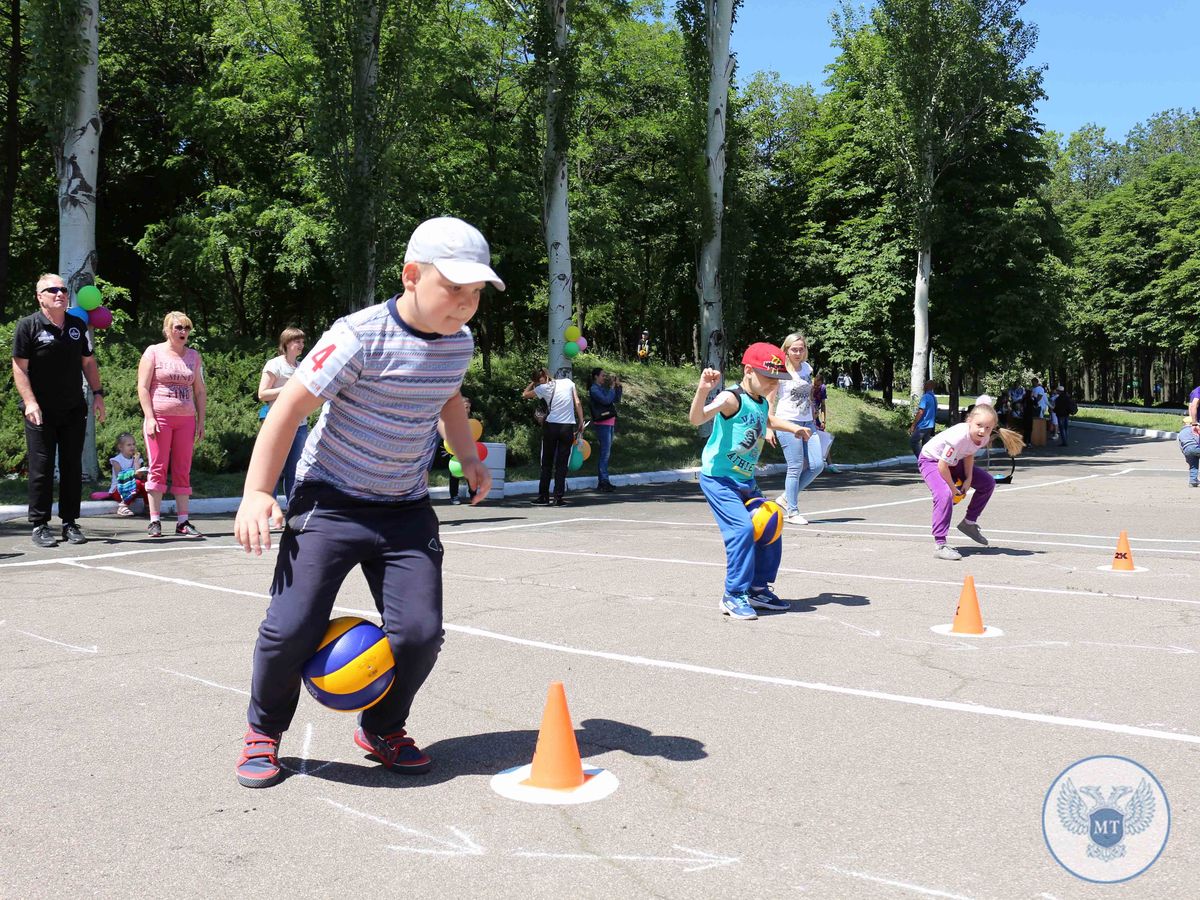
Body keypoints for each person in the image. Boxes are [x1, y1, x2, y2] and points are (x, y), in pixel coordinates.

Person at [231, 216, 501, 789]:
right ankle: (263, 731)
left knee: (421, 634)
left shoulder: (460, 343)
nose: (465, 304)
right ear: (410, 276)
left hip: (404, 507)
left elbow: (450, 403)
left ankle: (382, 726)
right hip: (329, 500)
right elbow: (288, 411)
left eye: (475, 293)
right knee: (291, 627)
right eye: (453, 288)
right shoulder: (357, 336)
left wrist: (468, 457)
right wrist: (257, 492)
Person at [690, 342, 798, 620]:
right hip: (720, 479)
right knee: (742, 530)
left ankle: (758, 589)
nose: (773, 383)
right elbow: (697, 418)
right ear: (748, 370)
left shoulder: (760, 402)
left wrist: (795, 428)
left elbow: (767, 419)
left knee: (772, 523)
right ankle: (733, 595)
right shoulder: (730, 398)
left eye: (776, 378)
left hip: (746, 480)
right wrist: (703, 389)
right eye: (768, 377)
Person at [11, 273, 107, 547]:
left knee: (71, 466)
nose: (60, 293)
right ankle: (40, 524)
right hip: (40, 411)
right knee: (41, 468)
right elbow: (20, 368)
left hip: (73, 409)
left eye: (63, 289)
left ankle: (70, 522)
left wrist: (98, 394)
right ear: (40, 297)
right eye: (52, 289)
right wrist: (30, 402)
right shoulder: (28, 326)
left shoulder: (77, 325)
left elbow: (88, 362)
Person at [918, 398, 1024, 560]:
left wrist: (968, 479)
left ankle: (969, 523)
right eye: (979, 425)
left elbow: (968, 453)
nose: (982, 431)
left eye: (987, 428)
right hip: (932, 461)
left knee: (988, 482)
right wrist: (953, 489)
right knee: (944, 494)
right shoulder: (959, 436)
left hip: (953, 461)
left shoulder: (984, 438)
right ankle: (940, 544)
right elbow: (942, 466)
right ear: (969, 421)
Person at [138, 311, 206, 538]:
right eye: (178, 327)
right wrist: (149, 417)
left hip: (186, 419)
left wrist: (201, 421)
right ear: (167, 330)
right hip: (160, 418)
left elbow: (199, 390)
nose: (183, 332)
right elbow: (143, 387)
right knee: (158, 466)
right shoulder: (153, 352)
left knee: (182, 468)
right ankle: (155, 521)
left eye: (186, 328)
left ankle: (183, 522)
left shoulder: (194, 356)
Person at [767, 331, 824, 526]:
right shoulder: (780, 371)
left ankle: (785, 497)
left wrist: (814, 416)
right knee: (796, 467)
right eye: (794, 350)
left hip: (808, 423)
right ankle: (792, 512)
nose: (798, 353)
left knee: (817, 465)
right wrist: (768, 427)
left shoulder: (807, 368)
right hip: (787, 423)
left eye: (801, 349)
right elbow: (770, 400)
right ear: (786, 350)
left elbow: (809, 396)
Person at [257, 327, 307, 505]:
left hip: (300, 425)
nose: (301, 345)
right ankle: (269, 511)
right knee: (274, 470)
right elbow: (262, 394)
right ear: (286, 343)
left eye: (302, 341)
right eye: (297, 341)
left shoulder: (302, 367)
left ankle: (293, 511)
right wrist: (287, 388)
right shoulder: (274, 364)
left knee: (295, 471)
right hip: (277, 423)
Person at [523, 367, 583, 506]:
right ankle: (558, 498)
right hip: (567, 427)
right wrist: (580, 421)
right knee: (562, 464)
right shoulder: (568, 382)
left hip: (551, 427)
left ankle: (543, 497)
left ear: (539, 379)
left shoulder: (543, 388)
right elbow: (578, 402)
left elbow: (525, 394)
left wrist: (532, 383)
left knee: (547, 463)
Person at [588, 367, 622, 492]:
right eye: (602, 375)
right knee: (605, 453)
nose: (604, 377)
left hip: (609, 422)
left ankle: (605, 480)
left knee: (606, 453)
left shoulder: (602, 388)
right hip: (602, 423)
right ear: (596, 376)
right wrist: (612, 388)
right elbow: (606, 400)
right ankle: (603, 481)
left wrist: (618, 387)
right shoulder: (594, 389)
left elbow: (616, 399)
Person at [438, 395, 477, 504]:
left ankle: (473, 495)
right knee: (455, 473)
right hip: (454, 450)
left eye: (469, 407)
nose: (468, 410)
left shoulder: (471, 421)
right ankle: (454, 496)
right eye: (465, 407)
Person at [105, 432, 147, 517]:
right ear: (120, 447)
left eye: (133, 444)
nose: (132, 447)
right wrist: (134, 474)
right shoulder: (116, 460)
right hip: (118, 490)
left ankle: (148, 506)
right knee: (137, 482)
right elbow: (120, 477)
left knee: (146, 483)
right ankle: (122, 506)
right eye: (129, 445)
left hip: (132, 489)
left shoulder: (137, 459)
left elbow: (139, 476)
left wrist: (136, 462)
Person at [909, 379, 938, 460]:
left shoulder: (925, 397)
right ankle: (928, 462)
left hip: (923, 425)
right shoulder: (933, 398)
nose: (924, 386)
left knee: (913, 442)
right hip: (930, 425)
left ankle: (922, 460)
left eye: (925, 384)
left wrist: (913, 425)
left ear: (928, 386)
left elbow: (921, 412)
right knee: (926, 447)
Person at [1178, 419, 1200, 488]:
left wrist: (1186, 455)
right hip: (1196, 447)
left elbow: (1180, 445)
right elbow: (1197, 438)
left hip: (1187, 450)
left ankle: (1193, 481)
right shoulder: (1193, 429)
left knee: (1193, 465)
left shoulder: (1181, 432)